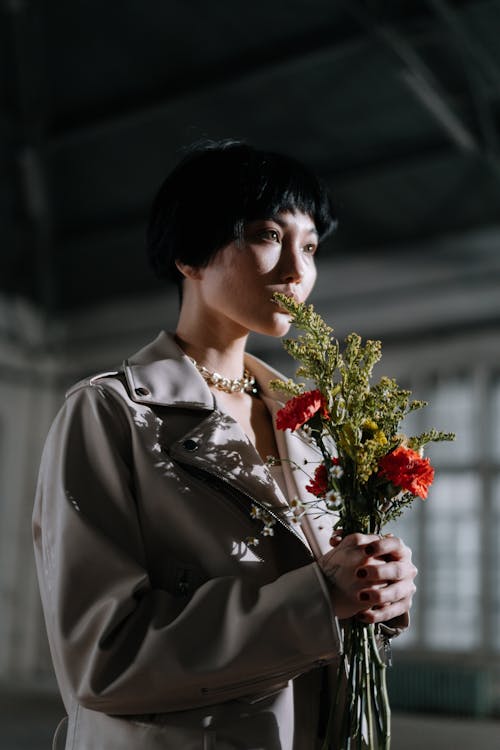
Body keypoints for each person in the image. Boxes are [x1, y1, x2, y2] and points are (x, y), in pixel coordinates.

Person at [33, 140, 417, 750]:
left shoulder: (311, 423)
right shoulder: (109, 413)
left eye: (311, 247)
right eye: (268, 236)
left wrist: (373, 584)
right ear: (189, 253)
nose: (298, 270)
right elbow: (103, 660)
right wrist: (319, 598)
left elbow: (325, 596)